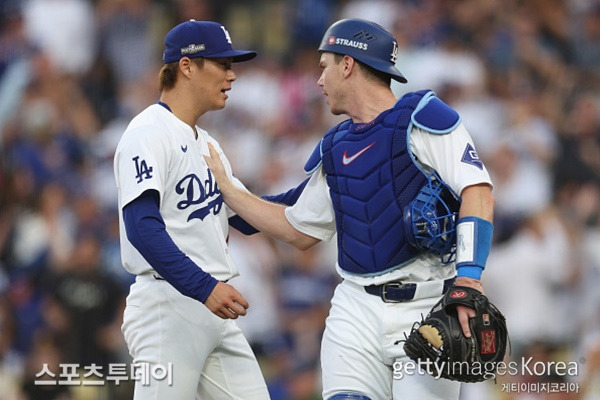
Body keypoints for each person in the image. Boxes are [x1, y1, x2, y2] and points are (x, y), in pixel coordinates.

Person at [204, 18, 495, 400]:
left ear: (348, 64)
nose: (319, 80)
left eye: (324, 66)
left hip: (426, 304)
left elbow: (478, 190)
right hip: (355, 305)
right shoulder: (335, 144)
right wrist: (227, 191)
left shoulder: (423, 117)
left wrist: (469, 277)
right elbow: (298, 229)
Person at [113, 19, 307, 399]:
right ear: (187, 66)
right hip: (167, 306)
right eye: (222, 63)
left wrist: (323, 187)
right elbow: (141, 227)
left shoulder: (206, 143)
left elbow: (247, 217)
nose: (232, 75)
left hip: (213, 306)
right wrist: (203, 288)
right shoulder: (147, 133)